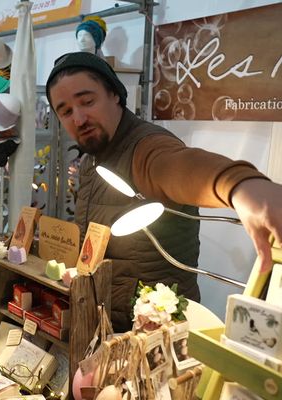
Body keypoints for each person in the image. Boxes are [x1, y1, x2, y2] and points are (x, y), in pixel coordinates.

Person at [46, 52, 282, 331]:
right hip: (105, 323)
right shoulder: (91, 160)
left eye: (87, 101)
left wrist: (240, 185)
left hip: (156, 329)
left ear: (115, 95)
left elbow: (180, 166)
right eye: (66, 111)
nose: (79, 117)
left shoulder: (145, 147)